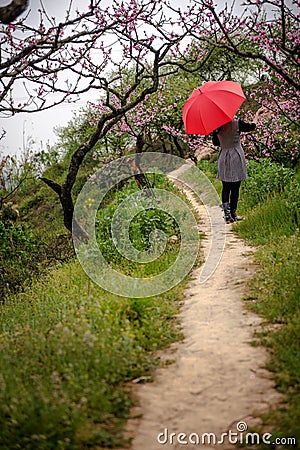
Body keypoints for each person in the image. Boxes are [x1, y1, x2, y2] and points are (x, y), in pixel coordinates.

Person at [212, 108, 265, 223]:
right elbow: (251, 127)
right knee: (235, 186)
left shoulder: (216, 127)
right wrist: (257, 114)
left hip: (224, 157)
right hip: (236, 156)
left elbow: (216, 143)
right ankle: (233, 213)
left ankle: (227, 215)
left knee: (226, 186)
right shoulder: (237, 123)